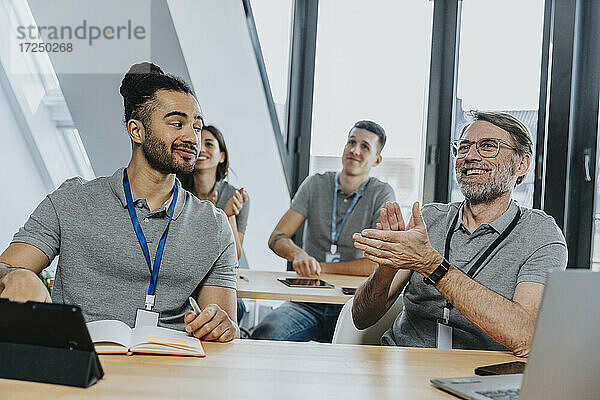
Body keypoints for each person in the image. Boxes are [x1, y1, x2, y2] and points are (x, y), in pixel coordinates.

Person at [0, 62, 239, 342]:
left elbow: (220, 323)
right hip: (79, 362)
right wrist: (15, 276)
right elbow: (6, 269)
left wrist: (220, 325)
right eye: (177, 124)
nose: (191, 137)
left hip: (172, 371)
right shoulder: (72, 200)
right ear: (136, 131)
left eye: (196, 127)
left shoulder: (213, 224)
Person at [352, 111, 567, 356]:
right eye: (463, 147)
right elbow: (361, 317)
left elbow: (524, 336)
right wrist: (386, 270)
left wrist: (431, 264)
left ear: (521, 164)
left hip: (479, 375)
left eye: (488, 146)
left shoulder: (540, 234)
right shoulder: (429, 219)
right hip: (403, 365)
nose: (470, 156)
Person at [251, 120, 396, 342]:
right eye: (351, 142)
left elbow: (375, 263)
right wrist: (297, 254)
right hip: (308, 301)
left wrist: (319, 267)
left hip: (352, 305)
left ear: (377, 159)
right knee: (265, 334)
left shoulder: (382, 194)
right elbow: (277, 238)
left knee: (357, 358)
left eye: (365, 146)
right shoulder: (315, 184)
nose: (354, 150)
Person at [177, 124, 249, 324]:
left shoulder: (235, 196)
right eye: (198, 143)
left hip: (217, 277)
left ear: (222, 156)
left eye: (209, 144)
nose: (201, 149)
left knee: (237, 308)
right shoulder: (176, 191)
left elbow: (235, 255)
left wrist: (227, 216)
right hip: (184, 274)